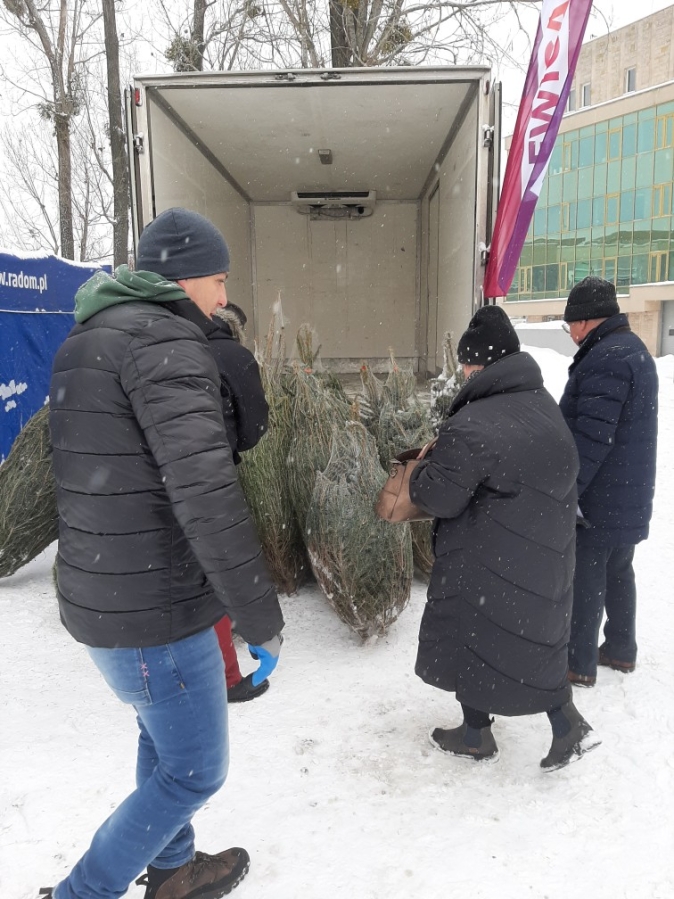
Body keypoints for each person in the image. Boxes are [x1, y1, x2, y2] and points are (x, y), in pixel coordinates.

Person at [45, 207, 284, 899]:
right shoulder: (165, 343)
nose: (224, 296)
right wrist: (259, 617)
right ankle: (84, 893)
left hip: (106, 597)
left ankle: (174, 869)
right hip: (157, 609)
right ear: (183, 279)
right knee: (195, 770)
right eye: (219, 279)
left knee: (161, 740)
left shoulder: (86, 338)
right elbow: (207, 494)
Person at [409, 305, 600, 772]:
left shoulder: (472, 423)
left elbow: (439, 497)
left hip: (487, 558)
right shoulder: (543, 405)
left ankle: (478, 735)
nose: (463, 372)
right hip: (542, 555)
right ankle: (559, 723)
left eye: (465, 363)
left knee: (473, 638)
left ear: (480, 364)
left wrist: (418, 473)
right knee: (534, 642)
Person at [559, 277, 658, 687]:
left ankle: (578, 663)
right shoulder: (632, 350)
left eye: (571, 323)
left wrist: (570, 490)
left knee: (587, 575)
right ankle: (620, 648)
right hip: (627, 490)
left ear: (585, 320)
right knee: (619, 569)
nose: (571, 332)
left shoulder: (606, 358)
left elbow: (592, 438)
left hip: (602, 495)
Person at [209, 302, 274, 702]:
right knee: (216, 572)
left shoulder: (162, 346)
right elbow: (255, 426)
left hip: (156, 479)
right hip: (210, 479)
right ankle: (227, 678)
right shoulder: (233, 356)